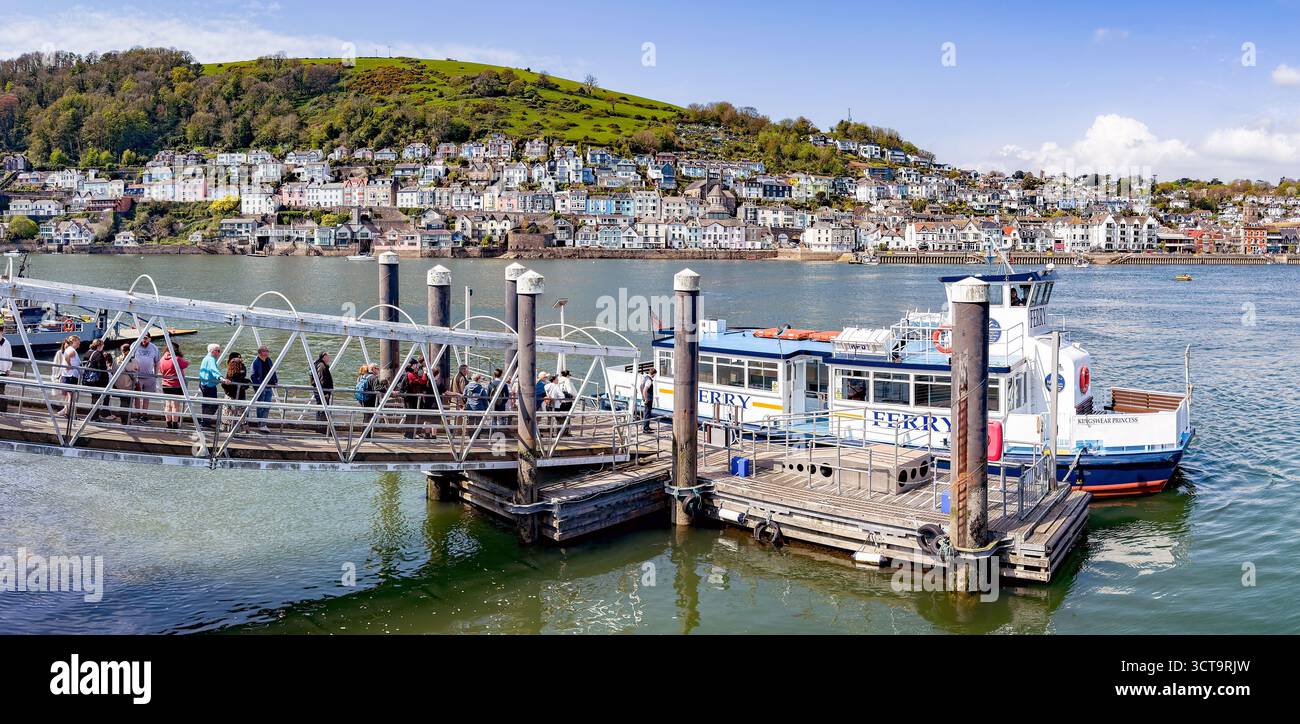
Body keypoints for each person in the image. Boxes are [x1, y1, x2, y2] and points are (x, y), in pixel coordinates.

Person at [158, 345, 189, 429]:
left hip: (165, 384)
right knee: (175, 406)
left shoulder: (162, 359)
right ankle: (175, 424)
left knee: (168, 404)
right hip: (176, 385)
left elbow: (160, 370)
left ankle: (168, 423)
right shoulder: (177, 359)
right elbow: (186, 364)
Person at [133, 333, 161, 423]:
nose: (144, 340)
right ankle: (137, 415)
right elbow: (130, 359)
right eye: (142, 338)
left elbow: (157, 362)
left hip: (149, 376)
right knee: (136, 397)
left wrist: (155, 375)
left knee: (146, 397)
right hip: (137, 376)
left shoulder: (154, 348)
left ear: (149, 339)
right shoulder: (134, 345)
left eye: (146, 338)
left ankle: (144, 415)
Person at [249, 345, 277, 433]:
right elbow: (253, 375)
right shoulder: (256, 362)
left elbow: (273, 371)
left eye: (267, 351)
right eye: (265, 351)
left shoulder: (269, 360)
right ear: (260, 352)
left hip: (269, 386)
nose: (267, 352)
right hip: (261, 387)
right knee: (261, 405)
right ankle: (261, 424)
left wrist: (275, 380)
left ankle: (263, 423)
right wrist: (258, 385)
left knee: (267, 405)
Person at [197, 343, 225, 430]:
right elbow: (214, 370)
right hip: (209, 385)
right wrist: (221, 378)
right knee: (213, 404)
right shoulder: (211, 359)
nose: (219, 353)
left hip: (203, 383)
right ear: (213, 351)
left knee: (206, 403)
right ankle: (205, 421)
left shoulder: (206, 358)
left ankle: (204, 420)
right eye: (218, 351)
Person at [82, 338, 110, 420]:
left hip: (89, 379)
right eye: (102, 345)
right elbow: (102, 368)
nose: (103, 347)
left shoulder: (87, 353)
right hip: (98, 381)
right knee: (97, 399)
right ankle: (94, 417)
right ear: (99, 346)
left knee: (94, 398)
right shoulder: (98, 354)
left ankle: (93, 416)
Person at [403, 358, 431, 439]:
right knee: (411, 416)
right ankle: (409, 434)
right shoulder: (410, 374)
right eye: (416, 365)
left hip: (414, 399)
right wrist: (425, 374)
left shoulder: (412, 373)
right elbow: (421, 382)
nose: (417, 367)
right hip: (411, 399)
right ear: (412, 366)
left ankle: (411, 433)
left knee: (414, 416)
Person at [54, 335, 81, 418]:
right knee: (71, 395)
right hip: (71, 375)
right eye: (78, 341)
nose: (79, 343)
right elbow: (67, 356)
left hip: (67, 375)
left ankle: (66, 410)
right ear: (74, 341)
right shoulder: (72, 350)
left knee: (67, 395)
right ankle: (67, 413)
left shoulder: (69, 349)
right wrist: (69, 365)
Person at [112, 343, 138, 425]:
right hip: (129, 386)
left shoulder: (116, 360)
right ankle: (126, 421)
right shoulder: (133, 361)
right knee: (128, 404)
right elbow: (136, 371)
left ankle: (124, 420)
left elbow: (113, 371)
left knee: (123, 403)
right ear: (129, 351)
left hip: (119, 386)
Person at [312, 351, 334, 429]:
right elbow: (322, 380)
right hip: (322, 392)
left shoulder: (321, 365)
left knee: (321, 409)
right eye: (328, 356)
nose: (329, 358)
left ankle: (320, 427)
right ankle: (321, 428)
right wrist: (325, 392)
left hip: (321, 391)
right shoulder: (321, 366)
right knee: (322, 410)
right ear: (324, 357)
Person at [638, 367, 656, 433]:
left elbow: (640, 386)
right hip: (648, 399)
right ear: (653, 374)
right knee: (647, 413)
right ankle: (645, 428)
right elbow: (645, 390)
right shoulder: (649, 380)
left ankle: (647, 426)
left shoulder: (645, 378)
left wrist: (643, 396)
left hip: (646, 398)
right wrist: (646, 399)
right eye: (655, 375)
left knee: (647, 412)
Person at [0, 335, 13, 414]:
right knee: (1, 391)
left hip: (3, 371)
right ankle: (2, 408)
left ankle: (2, 409)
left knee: (1, 390)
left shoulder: (6, 343)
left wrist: (8, 368)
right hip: (2, 370)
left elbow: (9, 356)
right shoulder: (6, 343)